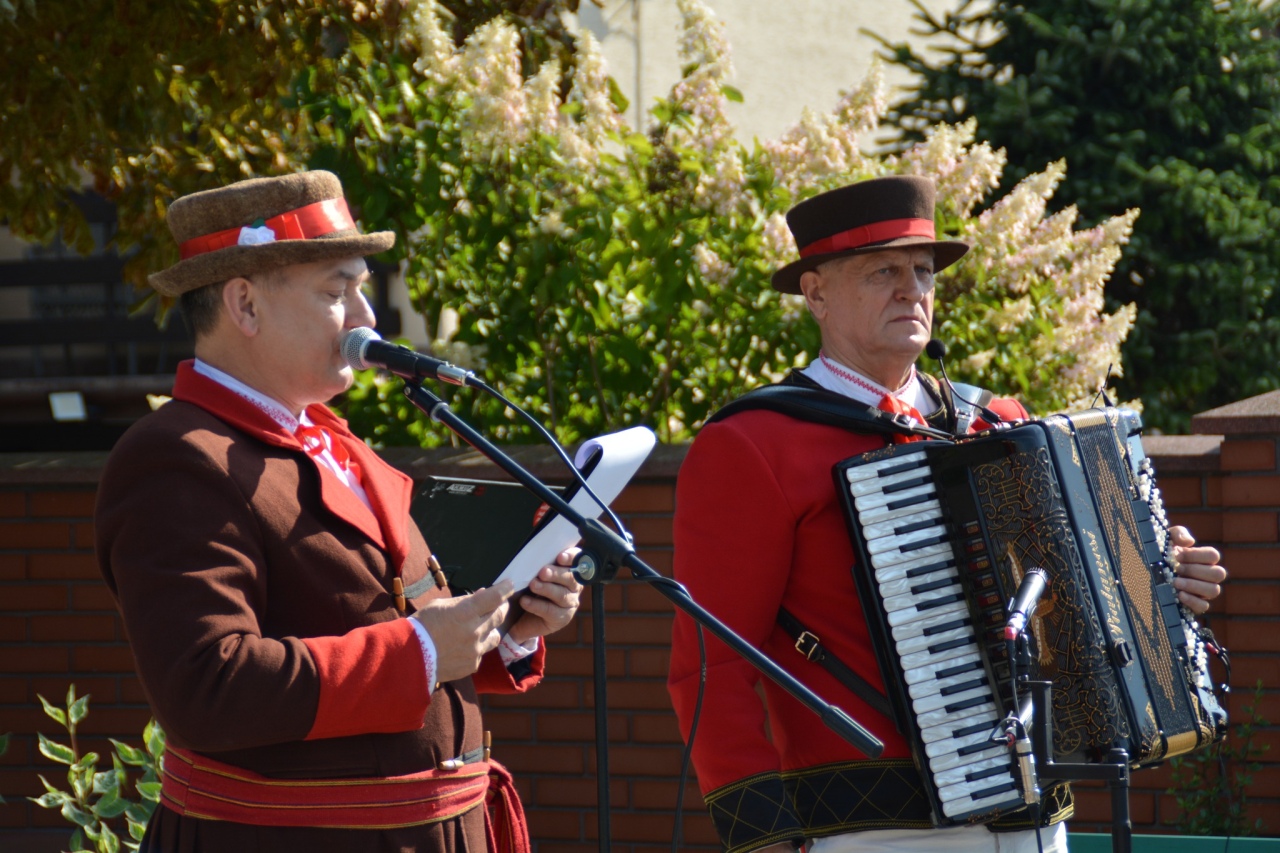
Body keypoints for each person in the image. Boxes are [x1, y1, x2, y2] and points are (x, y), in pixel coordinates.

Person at [665, 175, 1227, 853]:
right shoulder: (752, 443)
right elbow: (711, 665)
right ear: (816, 292)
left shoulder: (997, 424)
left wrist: (1159, 585)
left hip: (1039, 823)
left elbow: (1077, 607)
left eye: (923, 270)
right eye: (883, 271)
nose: (912, 289)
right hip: (874, 830)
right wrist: (766, 839)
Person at [95, 170, 582, 852]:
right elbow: (206, 684)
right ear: (245, 304)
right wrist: (418, 653)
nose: (367, 317)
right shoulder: (175, 456)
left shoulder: (334, 442)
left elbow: (393, 614)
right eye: (338, 290)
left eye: (361, 287)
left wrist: (507, 625)